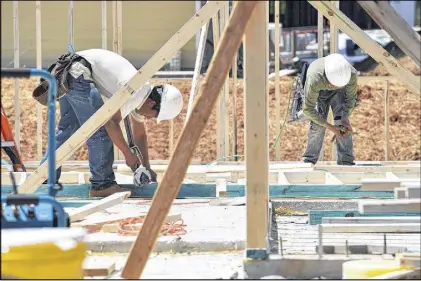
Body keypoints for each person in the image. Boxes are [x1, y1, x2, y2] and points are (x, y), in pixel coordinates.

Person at [33, 49, 183, 197]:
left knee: (69, 129)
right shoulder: (135, 94)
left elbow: (140, 135)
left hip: (72, 73)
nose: (151, 119)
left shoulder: (142, 92)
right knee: (99, 129)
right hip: (79, 75)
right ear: (151, 104)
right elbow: (111, 124)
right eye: (155, 115)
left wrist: (146, 167)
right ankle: (102, 184)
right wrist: (127, 154)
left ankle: (44, 177)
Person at [301, 53, 357, 165]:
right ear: (329, 81)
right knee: (317, 125)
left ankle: (346, 161)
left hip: (339, 93)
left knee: (342, 124)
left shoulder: (351, 75)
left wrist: (345, 119)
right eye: (334, 85)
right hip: (319, 93)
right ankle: (309, 161)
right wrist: (331, 128)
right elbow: (308, 109)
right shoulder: (315, 78)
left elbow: (350, 100)